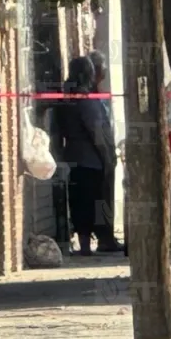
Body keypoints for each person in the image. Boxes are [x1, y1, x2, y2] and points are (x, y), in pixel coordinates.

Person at [55, 56, 116, 256]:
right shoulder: (85, 99)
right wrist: (107, 157)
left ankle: (84, 244)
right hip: (90, 160)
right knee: (92, 201)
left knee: (79, 202)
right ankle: (93, 243)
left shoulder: (66, 97)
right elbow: (96, 131)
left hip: (73, 156)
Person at [86, 50, 122, 253]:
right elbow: (95, 128)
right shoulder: (88, 96)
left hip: (105, 155)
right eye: (102, 69)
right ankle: (104, 238)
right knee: (101, 198)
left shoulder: (98, 93)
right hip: (98, 158)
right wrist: (106, 155)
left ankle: (107, 236)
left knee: (107, 196)